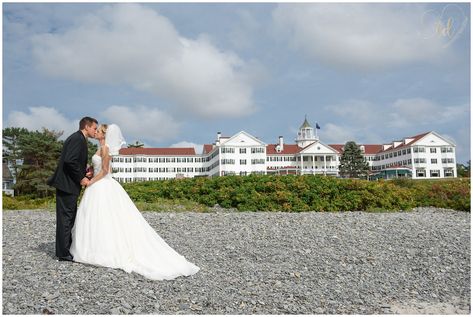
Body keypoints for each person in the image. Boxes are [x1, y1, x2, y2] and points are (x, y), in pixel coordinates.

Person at [70, 124, 199, 280]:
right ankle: (95, 248)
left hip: (101, 185)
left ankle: (102, 251)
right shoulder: (101, 148)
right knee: (98, 218)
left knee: (103, 216)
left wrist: (91, 182)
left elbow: (105, 171)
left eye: (98, 131)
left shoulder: (105, 149)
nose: (95, 132)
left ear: (104, 134)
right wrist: (91, 170)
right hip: (98, 184)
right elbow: (100, 168)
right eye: (95, 130)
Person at [48, 116, 98, 261]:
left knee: (69, 218)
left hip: (68, 185)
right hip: (67, 185)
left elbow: (73, 161)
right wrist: (81, 178)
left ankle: (66, 248)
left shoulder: (78, 138)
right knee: (66, 218)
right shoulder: (77, 139)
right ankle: (63, 253)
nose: (95, 131)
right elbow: (70, 161)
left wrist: (85, 172)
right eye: (94, 128)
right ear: (86, 127)